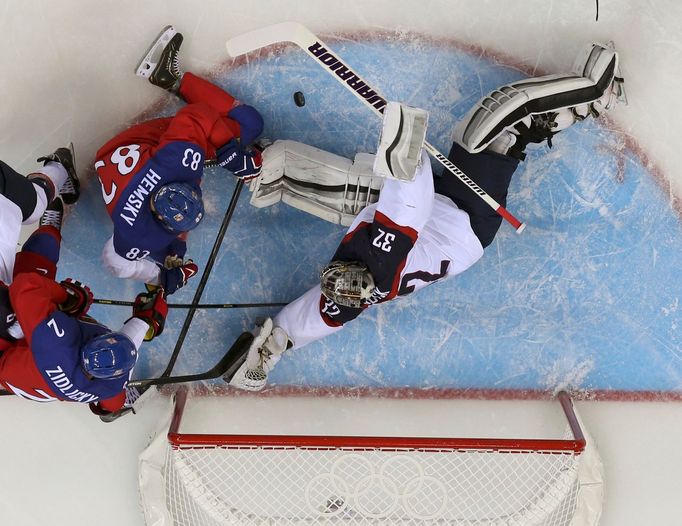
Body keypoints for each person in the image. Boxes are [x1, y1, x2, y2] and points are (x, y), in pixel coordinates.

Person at [229, 42, 626, 391]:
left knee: (358, 187)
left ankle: (280, 174)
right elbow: (410, 205)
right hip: (466, 225)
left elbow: (310, 323)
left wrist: (271, 347)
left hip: (433, 221)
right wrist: (407, 150)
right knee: (492, 124)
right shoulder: (380, 257)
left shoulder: (348, 298)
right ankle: (593, 91)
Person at [97, 25, 265, 295]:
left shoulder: (175, 166)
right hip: (116, 165)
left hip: (139, 146)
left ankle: (167, 76)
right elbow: (115, 262)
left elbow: (199, 114)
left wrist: (229, 153)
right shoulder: (133, 236)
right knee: (221, 135)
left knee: (250, 123)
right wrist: (164, 267)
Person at [0, 147, 169, 416]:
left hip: (13, 346)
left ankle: (55, 183)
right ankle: (53, 201)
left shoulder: (59, 346)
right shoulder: (106, 382)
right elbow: (110, 400)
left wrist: (68, 297)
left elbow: (26, 289)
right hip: (25, 343)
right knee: (37, 255)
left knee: (36, 253)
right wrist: (148, 320)